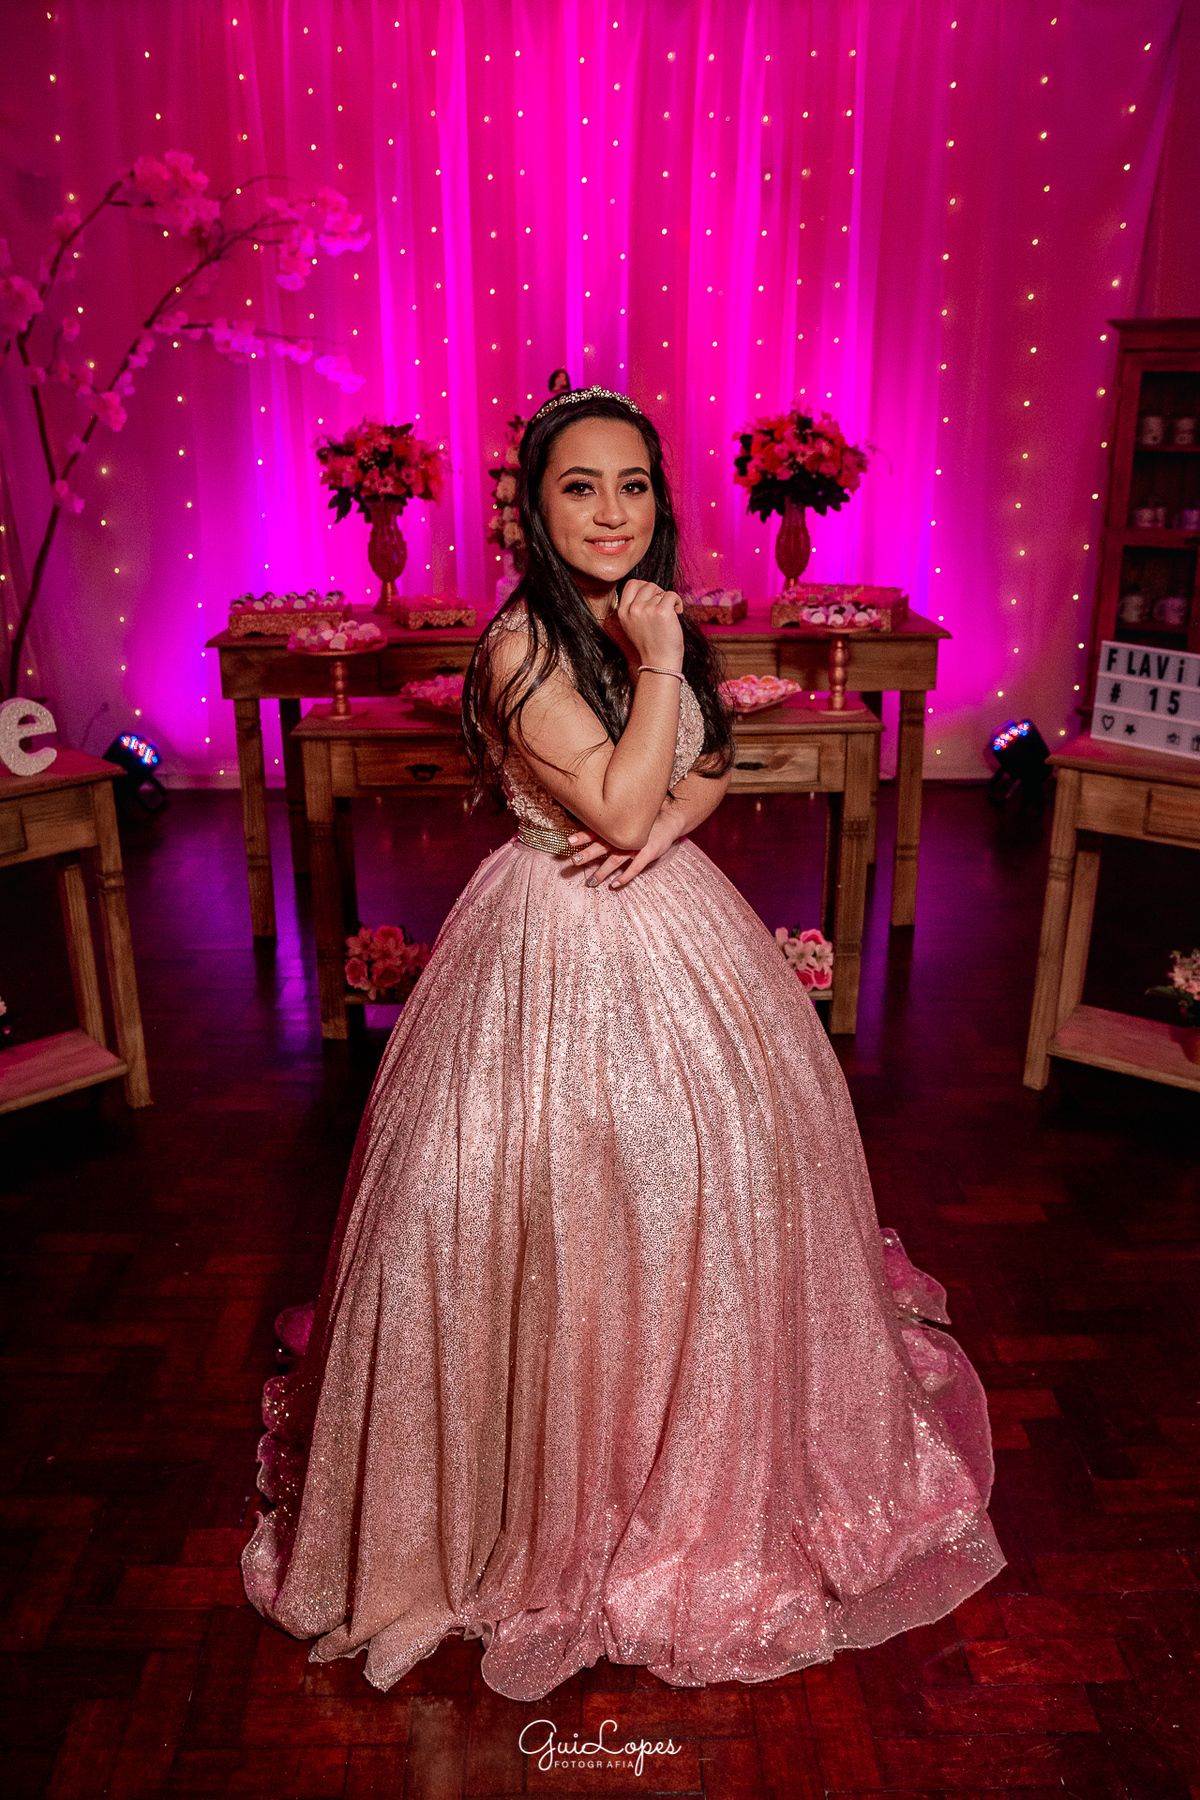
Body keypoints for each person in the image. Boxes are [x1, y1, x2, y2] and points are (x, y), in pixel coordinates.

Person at [242, 386, 1004, 1701]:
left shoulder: (648, 617)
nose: (612, 511)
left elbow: (704, 764)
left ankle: (695, 1433)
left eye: (634, 484)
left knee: (718, 1183)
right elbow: (611, 794)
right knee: (569, 1202)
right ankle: (553, 1478)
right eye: (580, 486)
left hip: (669, 915)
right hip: (551, 946)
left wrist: (662, 825)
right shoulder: (523, 648)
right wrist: (650, 712)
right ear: (532, 511)